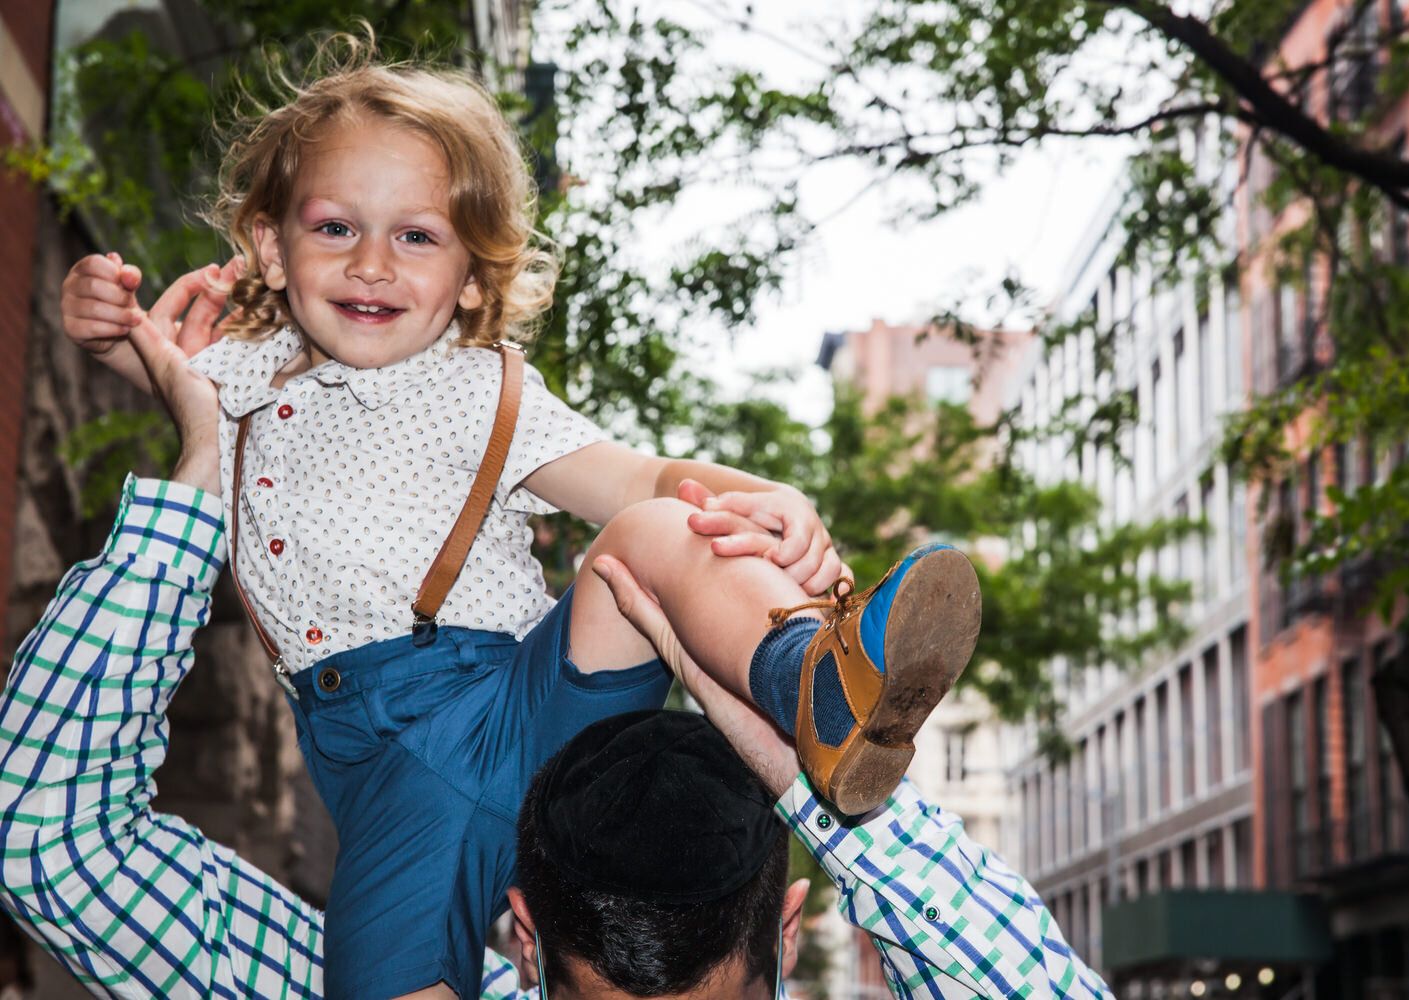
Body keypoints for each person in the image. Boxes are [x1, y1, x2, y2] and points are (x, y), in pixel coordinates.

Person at [58, 45, 983, 1000]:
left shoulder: (478, 388)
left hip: (521, 702)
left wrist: (770, 497)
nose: (371, 262)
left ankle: (814, 681)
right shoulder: (240, 378)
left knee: (645, 540)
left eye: (416, 237)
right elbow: (163, 370)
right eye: (335, 227)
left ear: (470, 273)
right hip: (386, 789)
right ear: (268, 246)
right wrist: (105, 322)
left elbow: (639, 478)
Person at [0, 306, 1112, 999]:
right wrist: (823, 794)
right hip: (531, 703)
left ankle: (800, 674)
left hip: (492, 717)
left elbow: (44, 833)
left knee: (648, 537)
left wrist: (201, 468)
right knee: (648, 541)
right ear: (786, 929)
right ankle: (799, 679)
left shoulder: (354, 961)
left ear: (523, 936)